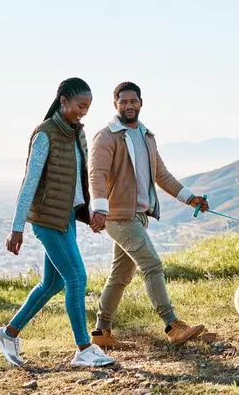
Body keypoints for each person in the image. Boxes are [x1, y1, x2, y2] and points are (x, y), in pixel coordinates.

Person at [0, 78, 115, 368]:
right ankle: (84, 349)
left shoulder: (76, 134)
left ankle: (8, 334)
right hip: (47, 220)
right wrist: (17, 227)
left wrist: (92, 210)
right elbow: (30, 182)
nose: (84, 111)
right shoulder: (44, 134)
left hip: (66, 217)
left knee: (53, 282)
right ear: (63, 102)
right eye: (80, 106)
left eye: (87, 107)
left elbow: (82, 179)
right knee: (76, 278)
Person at [88, 81, 210, 346]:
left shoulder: (146, 136)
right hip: (118, 217)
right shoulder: (106, 136)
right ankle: (172, 325)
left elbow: (161, 175)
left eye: (134, 101)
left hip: (138, 216)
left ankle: (101, 333)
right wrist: (98, 208)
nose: (129, 106)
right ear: (115, 104)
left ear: (141, 103)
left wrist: (190, 198)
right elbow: (96, 174)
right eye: (124, 101)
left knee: (119, 276)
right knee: (152, 265)